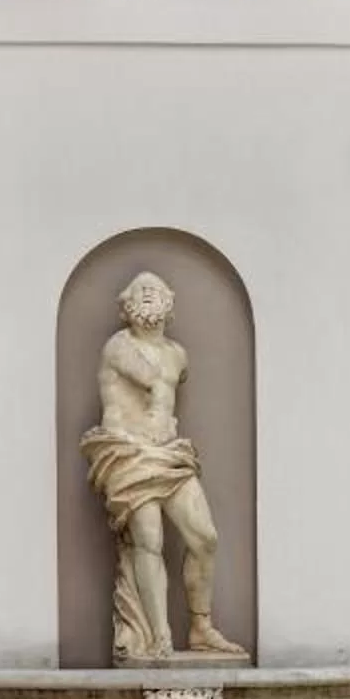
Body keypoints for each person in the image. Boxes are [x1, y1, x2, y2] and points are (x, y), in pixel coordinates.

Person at [79, 272, 243, 660]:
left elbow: (168, 380)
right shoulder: (119, 347)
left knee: (205, 538)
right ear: (127, 304)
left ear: (169, 301)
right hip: (128, 451)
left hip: (169, 452)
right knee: (149, 540)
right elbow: (152, 379)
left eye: (155, 289)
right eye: (140, 290)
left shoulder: (178, 355)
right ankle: (160, 636)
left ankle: (201, 627)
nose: (148, 292)